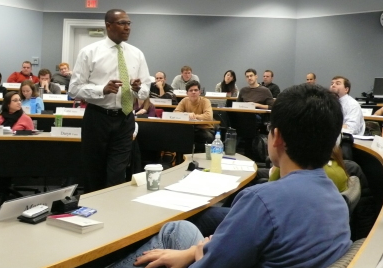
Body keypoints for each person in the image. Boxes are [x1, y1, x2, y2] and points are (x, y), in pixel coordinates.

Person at [110, 84, 351, 268]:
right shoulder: (336, 199)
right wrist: (199, 250)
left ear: (276, 137)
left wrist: (197, 253)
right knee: (182, 230)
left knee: (172, 232)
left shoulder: (261, 201)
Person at [69, 9, 150, 193]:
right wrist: (101, 90)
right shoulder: (89, 52)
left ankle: (113, 213)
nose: (127, 28)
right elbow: (74, 88)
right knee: (94, 171)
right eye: (122, 23)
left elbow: (145, 90)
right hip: (98, 118)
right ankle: (91, 212)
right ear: (108, 26)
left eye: (129, 23)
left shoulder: (137, 54)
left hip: (125, 118)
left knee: (117, 172)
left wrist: (138, 89)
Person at [0, 91, 34, 210]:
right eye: (15, 100)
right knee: (1, 161)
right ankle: (1, 194)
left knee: (5, 162)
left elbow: (32, 139)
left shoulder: (26, 119)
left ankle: (1, 196)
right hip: (1, 153)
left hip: (19, 154)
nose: (19, 102)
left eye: (19, 100)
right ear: (7, 104)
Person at [174, 80, 214, 146]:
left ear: (200, 92)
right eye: (191, 90)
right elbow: (175, 113)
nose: (193, 92)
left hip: (204, 128)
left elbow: (209, 116)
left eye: (196, 90)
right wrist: (187, 115)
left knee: (207, 137)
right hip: (189, 128)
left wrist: (194, 116)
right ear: (187, 93)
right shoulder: (184, 100)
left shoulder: (205, 101)